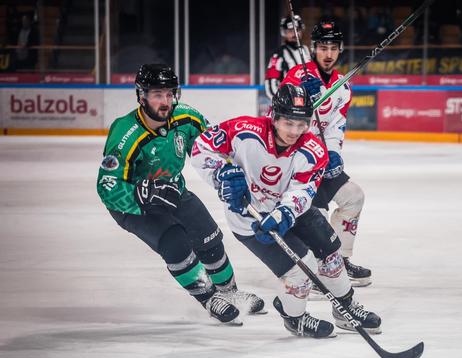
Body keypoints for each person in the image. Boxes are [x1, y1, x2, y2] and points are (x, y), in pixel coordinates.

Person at [190, 83, 381, 338]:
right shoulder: (243, 131)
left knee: (331, 252)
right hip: (250, 220)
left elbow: (303, 191)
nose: (294, 131)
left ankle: (345, 307)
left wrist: (284, 214)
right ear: (274, 116)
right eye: (288, 123)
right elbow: (201, 147)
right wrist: (221, 173)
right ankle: (295, 318)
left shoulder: (313, 150)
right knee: (301, 267)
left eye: (301, 124)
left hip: (290, 212)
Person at [96, 64, 265, 326]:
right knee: (175, 242)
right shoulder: (125, 134)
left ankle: (229, 293)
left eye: (169, 94)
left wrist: (226, 174)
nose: (165, 102)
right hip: (134, 205)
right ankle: (209, 299)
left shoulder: (186, 117)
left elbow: (213, 150)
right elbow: (107, 186)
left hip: (174, 190)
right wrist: (142, 194)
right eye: (157, 95)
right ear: (141, 96)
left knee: (209, 237)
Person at [281, 19, 372, 288]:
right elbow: (277, 121)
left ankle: (340, 260)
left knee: (353, 197)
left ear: (340, 49)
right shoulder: (297, 76)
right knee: (315, 214)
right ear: (313, 48)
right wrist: (302, 98)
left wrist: (333, 153)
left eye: (333, 47)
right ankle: (322, 267)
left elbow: (334, 128)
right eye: (323, 47)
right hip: (295, 164)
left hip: (320, 161)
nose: (328, 53)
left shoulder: (342, 87)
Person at [264, 15, 310, 100]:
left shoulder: (306, 50)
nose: (294, 34)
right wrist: (281, 101)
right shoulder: (278, 54)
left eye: (297, 30)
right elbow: (270, 83)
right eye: (290, 31)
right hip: (289, 102)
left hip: (308, 101)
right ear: (283, 33)